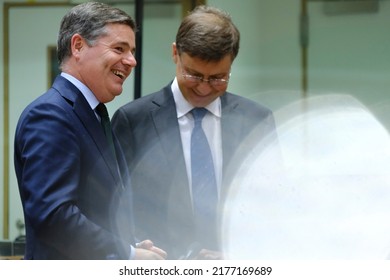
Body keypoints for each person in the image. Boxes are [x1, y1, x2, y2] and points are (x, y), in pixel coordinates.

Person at [112, 5, 278, 259]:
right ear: (175, 53)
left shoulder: (256, 121)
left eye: (218, 78)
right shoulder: (133, 121)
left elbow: (273, 202)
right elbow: (115, 208)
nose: (204, 88)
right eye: (194, 75)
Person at [14, 2, 166, 260]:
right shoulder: (50, 115)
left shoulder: (93, 113)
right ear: (78, 46)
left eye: (132, 51)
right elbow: (54, 216)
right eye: (119, 48)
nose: (132, 61)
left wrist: (133, 244)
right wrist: (128, 253)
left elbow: (98, 210)